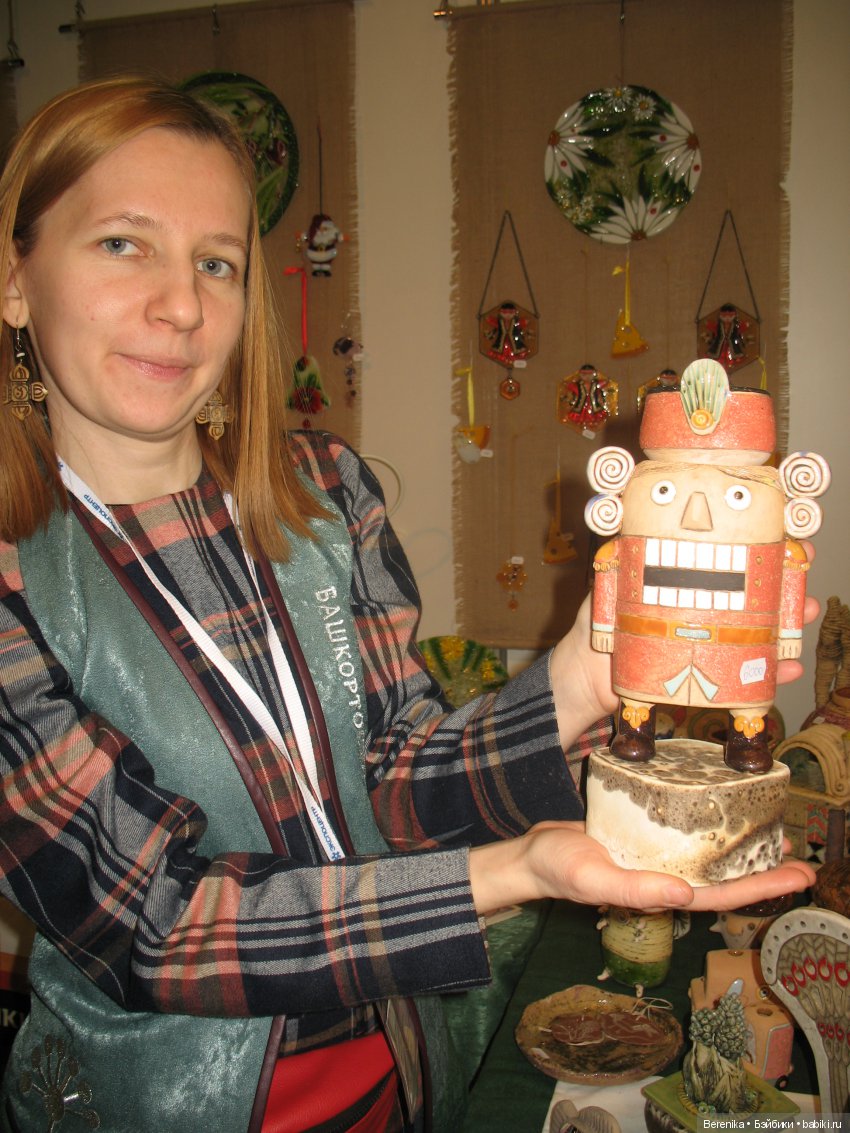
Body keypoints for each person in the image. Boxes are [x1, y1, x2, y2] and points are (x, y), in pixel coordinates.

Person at [0, 77, 815, 1133]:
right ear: (14, 279)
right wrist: (512, 870)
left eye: (216, 262)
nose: (183, 306)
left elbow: (396, 777)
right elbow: (157, 921)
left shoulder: (325, 493)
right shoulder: (19, 575)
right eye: (123, 244)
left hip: (397, 1081)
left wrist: (585, 674)